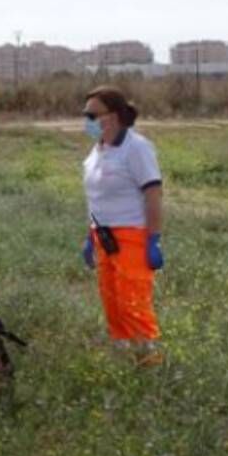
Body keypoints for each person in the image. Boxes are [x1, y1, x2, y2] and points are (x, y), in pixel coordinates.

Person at [79, 85, 165, 366]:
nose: (87, 121)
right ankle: (124, 356)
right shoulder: (97, 150)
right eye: (85, 115)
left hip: (131, 236)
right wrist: (90, 237)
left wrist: (153, 239)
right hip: (102, 235)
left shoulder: (136, 148)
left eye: (92, 115)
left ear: (113, 116)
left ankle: (149, 359)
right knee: (113, 302)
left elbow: (153, 194)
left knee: (133, 302)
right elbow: (96, 197)